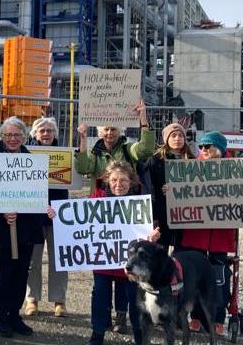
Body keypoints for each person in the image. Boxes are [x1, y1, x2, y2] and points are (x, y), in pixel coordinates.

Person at [75, 101, 155, 333]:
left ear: (119, 131)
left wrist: (143, 119)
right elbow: (82, 167)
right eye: (105, 130)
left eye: (113, 129)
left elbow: (146, 149)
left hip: (127, 211)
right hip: (102, 212)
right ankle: (101, 324)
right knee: (103, 274)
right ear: (99, 132)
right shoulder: (95, 151)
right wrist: (81, 139)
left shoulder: (129, 149)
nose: (109, 133)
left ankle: (121, 315)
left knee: (123, 273)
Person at [175, 131, 243, 336]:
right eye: (202, 147)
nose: (204, 150)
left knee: (219, 279)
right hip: (195, 234)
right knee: (194, 278)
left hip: (221, 236)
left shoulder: (237, 170)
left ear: (221, 149)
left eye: (209, 146)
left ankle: (217, 317)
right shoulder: (191, 169)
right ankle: (196, 316)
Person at [70, 161, 150, 345]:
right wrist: (55, 214)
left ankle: (140, 337)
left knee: (136, 300)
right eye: (114, 180)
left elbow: (148, 228)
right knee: (100, 295)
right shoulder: (96, 201)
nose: (118, 184)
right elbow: (76, 220)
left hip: (131, 265)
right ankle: (97, 334)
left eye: (123, 180)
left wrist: (152, 235)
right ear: (107, 181)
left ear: (131, 181)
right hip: (103, 261)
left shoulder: (140, 204)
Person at [0, 116, 46, 338]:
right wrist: (1, 210)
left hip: (26, 228)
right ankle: (2, 317)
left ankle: (15, 315)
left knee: (22, 273)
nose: (12, 139)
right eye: (8, 135)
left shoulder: (32, 161)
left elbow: (37, 194)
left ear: (24, 137)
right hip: (4, 227)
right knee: (5, 274)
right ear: (2, 137)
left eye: (17, 135)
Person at [23, 117, 70, 318]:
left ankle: (59, 300)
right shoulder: (26, 154)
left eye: (49, 130)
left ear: (55, 134)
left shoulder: (65, 154)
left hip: (58, 212)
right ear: (34, 134)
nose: (45, 134)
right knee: (32, 259)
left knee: (59, 258)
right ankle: (32, 298)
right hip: (34, 213)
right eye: (41, 130)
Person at [141, 122, 196, 251]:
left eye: (181, 136)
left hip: (185, 214)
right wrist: (161, 192)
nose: (177, 139)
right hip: (162, 212)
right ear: (166, 139)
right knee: (161, 250)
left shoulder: (192, 161)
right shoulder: (155, 160)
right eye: (173, 136)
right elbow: (149, 186)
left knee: (181, 251)